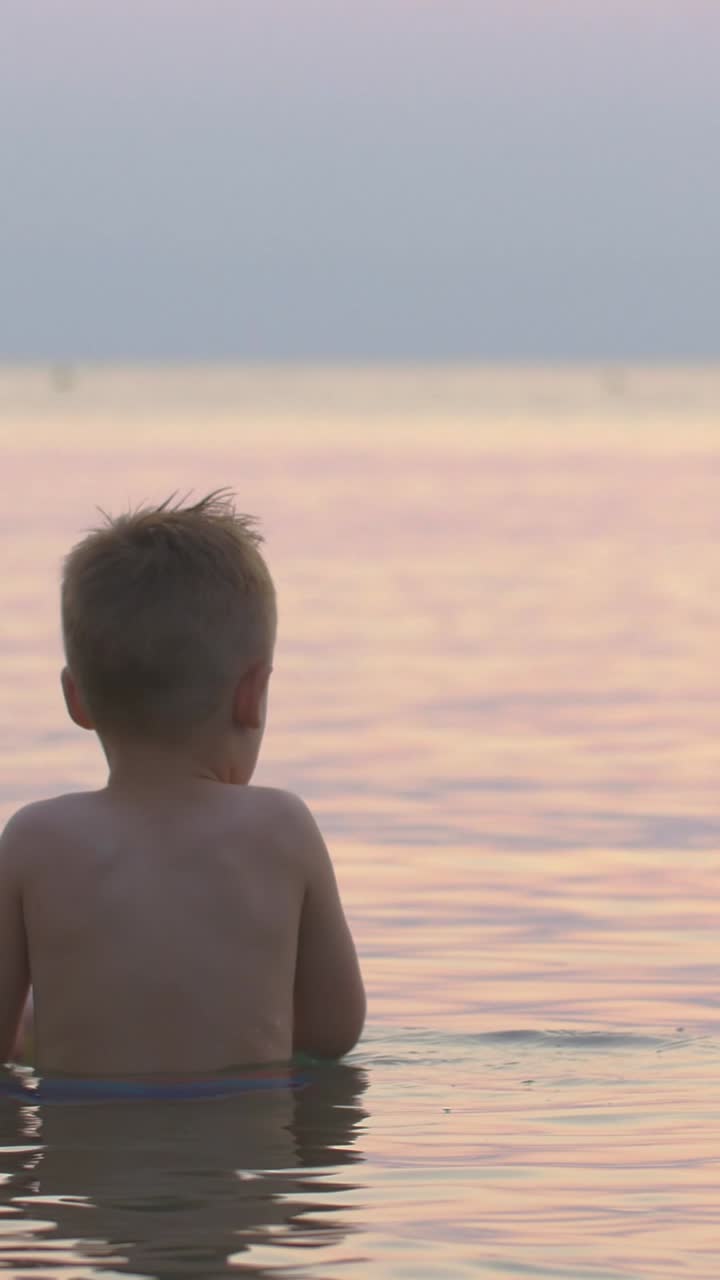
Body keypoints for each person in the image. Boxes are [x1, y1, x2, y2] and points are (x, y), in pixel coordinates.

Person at [0, 492, 365, 1075]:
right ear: (252, 695)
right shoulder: (281, 827)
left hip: (82, 1150)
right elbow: (333, 1031)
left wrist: (38, 1033)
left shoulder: (33, 838)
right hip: (241, 1137)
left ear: (76, 699)